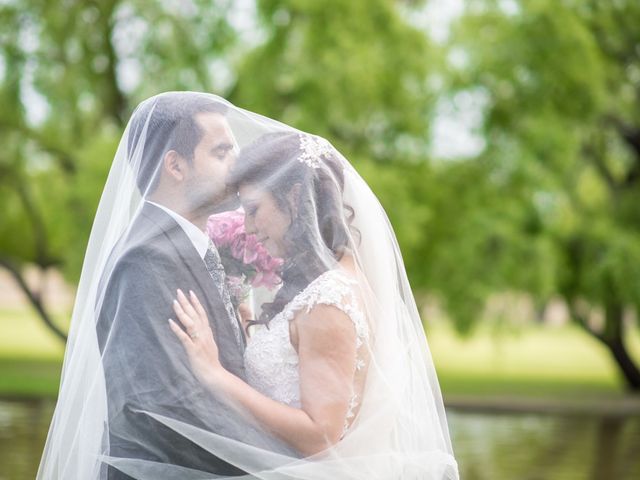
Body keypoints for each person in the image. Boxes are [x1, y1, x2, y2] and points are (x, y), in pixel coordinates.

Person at [38, 92, 458, 480]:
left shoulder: (204, 253)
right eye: (222, 151)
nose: (237, 161)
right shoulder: (146, 259)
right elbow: (161, 408)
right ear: (176, 165)